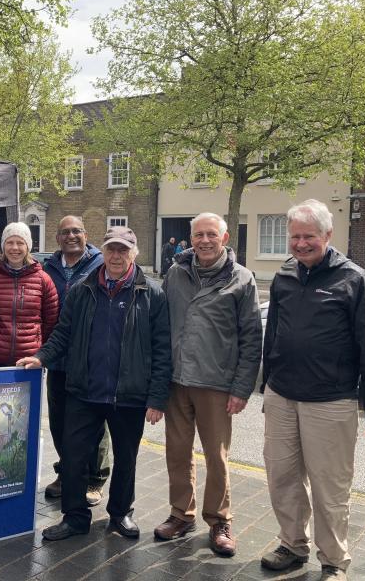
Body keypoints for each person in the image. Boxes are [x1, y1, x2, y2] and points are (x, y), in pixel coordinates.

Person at [260, 199, 365, 581]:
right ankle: (291, 545)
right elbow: (275, 335)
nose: (301, 244)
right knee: (282, 477)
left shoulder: (353, 280)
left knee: (329, 489)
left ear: (327, 235)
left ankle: (334, 561)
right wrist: (268, 387)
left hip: (331, 402)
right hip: (282, 397)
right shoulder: (284, 278)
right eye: (295, 236)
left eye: (309, 237)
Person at [18, 227, 171, 541]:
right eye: (111, 249)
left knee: (126, 458)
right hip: (84, 391)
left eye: (123, 250)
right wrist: (41, 357)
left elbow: (161, 348)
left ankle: (120, 515)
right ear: (103, 251)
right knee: (74, 457)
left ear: (134, 253)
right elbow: (63, 332)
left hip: (129, 394)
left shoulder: (152, 294)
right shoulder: (82, 289)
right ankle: (75, 518)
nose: (116, 256)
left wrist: (157, 397)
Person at [154, 213, 262, 558]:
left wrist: (242, 387)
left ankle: (219, 520)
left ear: (225, 237)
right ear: (190, 238)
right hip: (176, 380)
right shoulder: (176, 273)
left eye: (211, 234)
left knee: (216, 456)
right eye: (198, 234)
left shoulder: (242, 280)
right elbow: (162, 327)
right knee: (177, 452)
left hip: (215, 382)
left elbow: (251, 338)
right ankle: (181, 514)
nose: (204, 240)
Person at [42, 216, 110, 506]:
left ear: (86, 234)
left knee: (94, 422)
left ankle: (94, 479)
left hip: (90, 359)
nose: (71, 236)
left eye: (76, 231)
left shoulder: (100, 265)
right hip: (57, 359)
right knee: (59, 421)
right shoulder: (48, 268)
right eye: (65, 232)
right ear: (57, 238)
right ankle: (68, 472)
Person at [0, 222, 59, 368]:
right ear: (3, 246)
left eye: (20, 243)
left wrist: (40, 352)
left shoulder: (43, 280)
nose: (15, 248)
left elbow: (51, 321)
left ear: (28, 246)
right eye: (9, 242)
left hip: (29, 362)